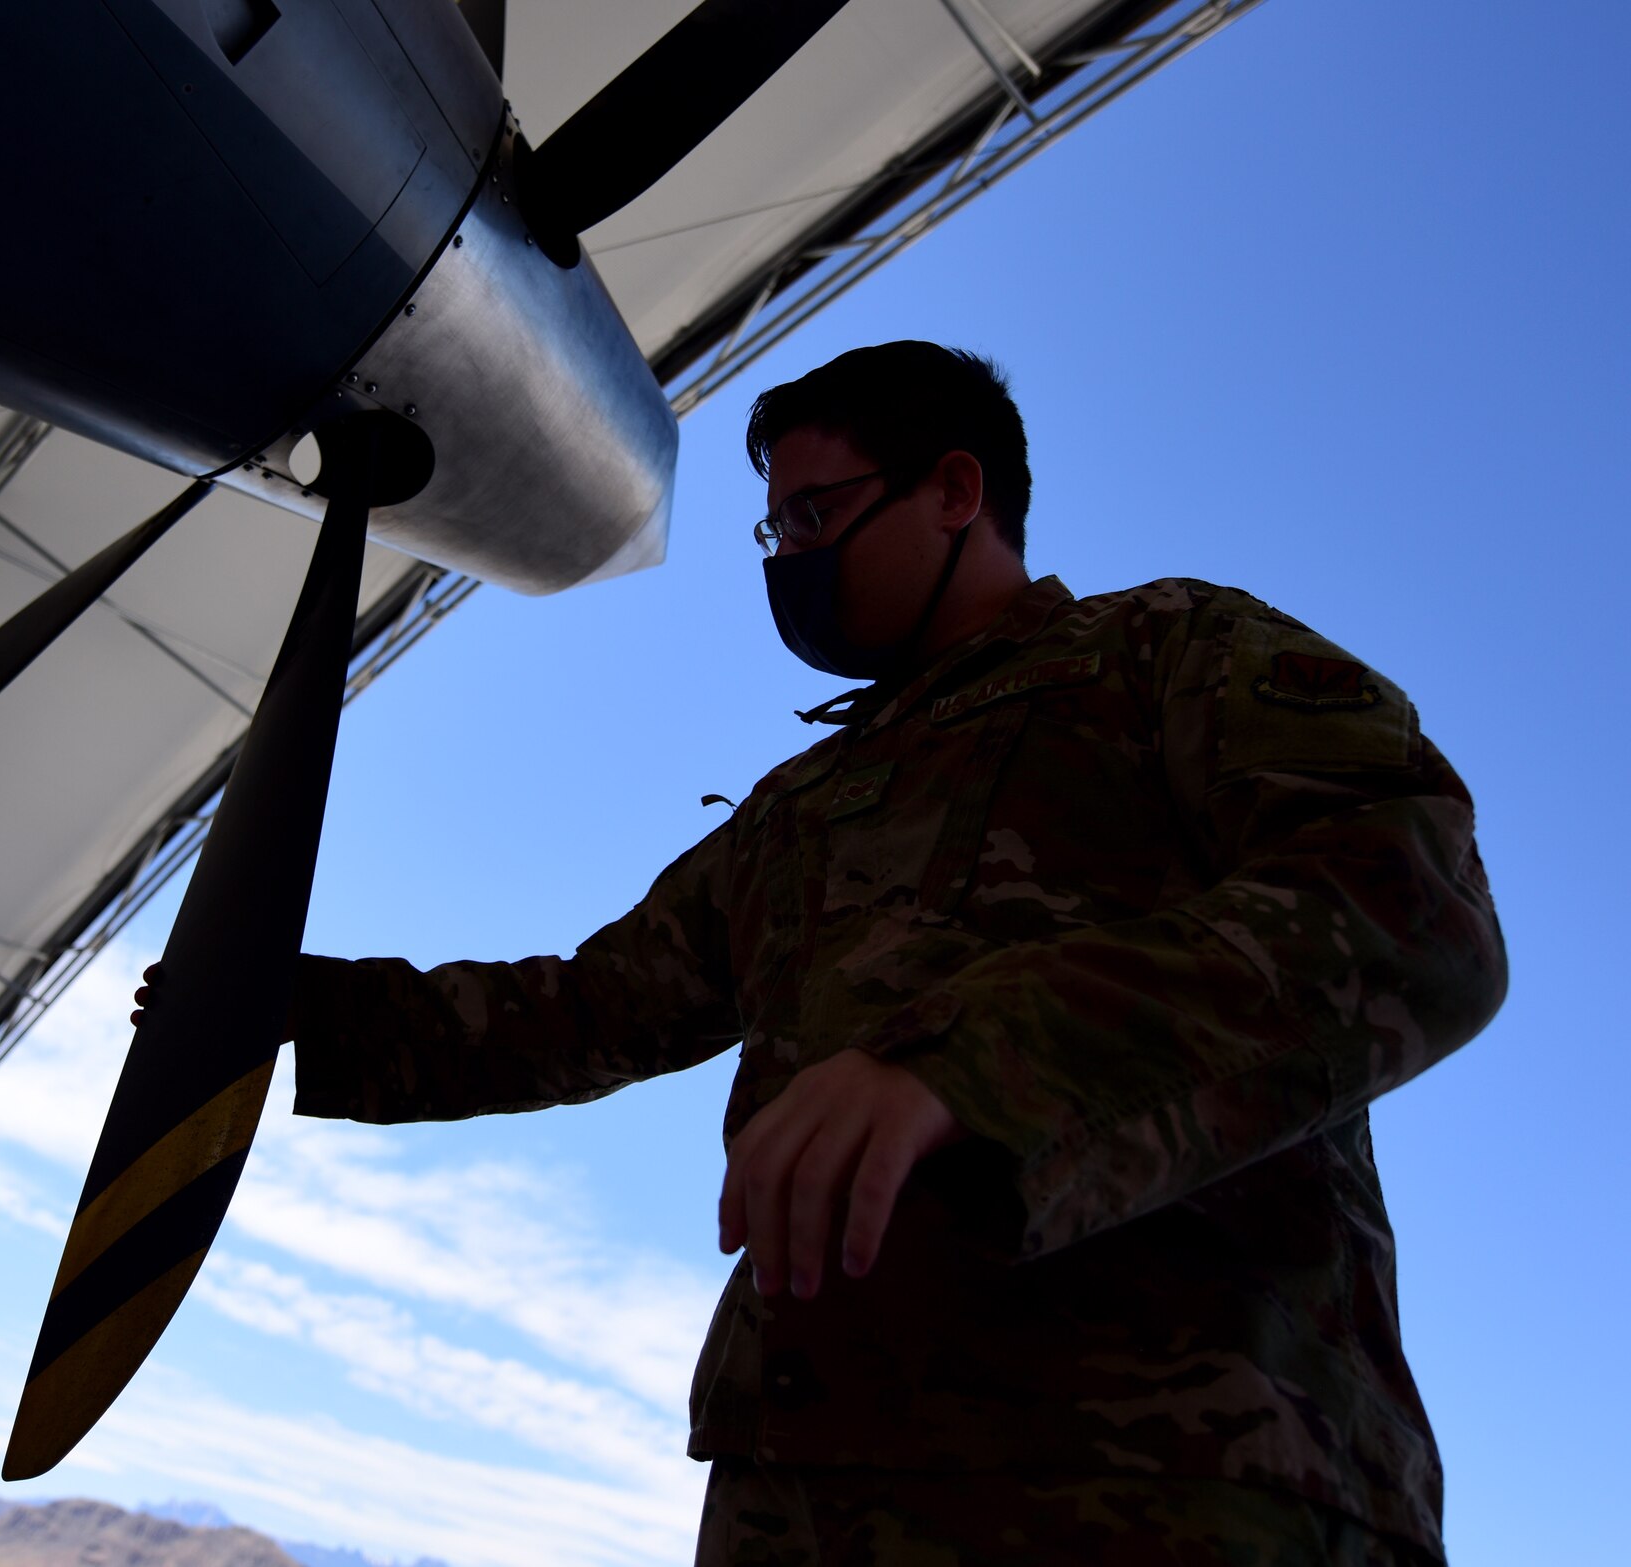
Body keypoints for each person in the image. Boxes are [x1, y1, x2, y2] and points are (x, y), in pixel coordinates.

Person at [134, 342, 1506, 1564]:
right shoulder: (803, 811)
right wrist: (281, 1010)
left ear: (956, 491)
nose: (785, 555)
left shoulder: (1169, 654)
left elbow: (1407, 903)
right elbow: (582, 1011)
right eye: (769, 528)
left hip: (1173, 1478)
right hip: (809, 1481)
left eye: (815, 514)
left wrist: (965, 1066)